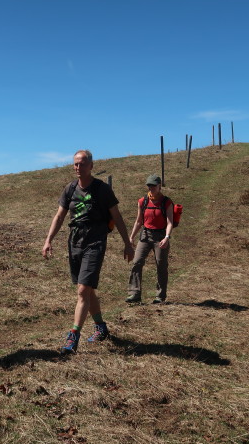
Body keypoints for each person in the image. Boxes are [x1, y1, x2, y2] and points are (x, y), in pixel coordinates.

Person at [42, 150, 134, 355]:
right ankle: (101, 327)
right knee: (88, 288)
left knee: (83, 290)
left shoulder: (101, 189)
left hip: (95, 241)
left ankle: (73, 336)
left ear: (91, 166)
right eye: (75, 164)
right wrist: (48, 240)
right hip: (75, 242)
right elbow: (59, 217)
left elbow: (117, 217)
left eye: (82, 164)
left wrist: (128, 243)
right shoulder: (70, 189)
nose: (78, 167)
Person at [125, 174, 174, 304]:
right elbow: (138, 221)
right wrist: (131, 238)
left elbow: (170, 222)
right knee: (137, 262)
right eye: (149, 185)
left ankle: (160, 296)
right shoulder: (143, 201)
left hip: (161, 237)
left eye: (153, 185)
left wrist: (167, 237)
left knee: (161, 265)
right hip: (145, 235)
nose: (150, 188)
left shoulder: (167, 202)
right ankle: (134, 294)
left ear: (159, 186)